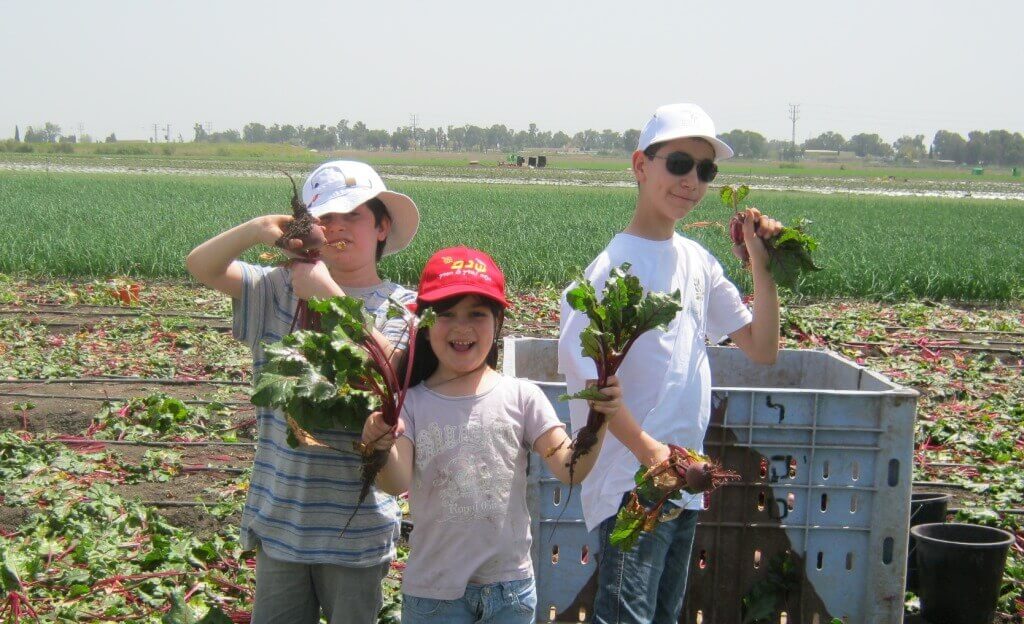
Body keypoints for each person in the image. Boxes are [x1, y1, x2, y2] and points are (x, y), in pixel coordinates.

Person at [557, 103, 783, 624]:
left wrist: (763, 265)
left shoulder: (699, 262)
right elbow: (590, 384)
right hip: (632, 487)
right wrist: (652, 455)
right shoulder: (609, 270)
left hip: (682, 483)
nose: (692, 181)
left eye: (705, 170)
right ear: (641, 166)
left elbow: (762, 347)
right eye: (679, 164)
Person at [185, 160, 419, 624]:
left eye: (353, 215)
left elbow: (387, 372)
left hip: (357, 528)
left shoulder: (404, 306)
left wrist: (328, 296)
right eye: (325, 217)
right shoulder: (275, 289)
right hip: (281, 517)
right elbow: (201, 265)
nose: (338, 227)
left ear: (382, 227)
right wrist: (259, 229)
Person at [362, 246, 621, 624]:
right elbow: (394, 481)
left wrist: (600, 421)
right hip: (434, 593)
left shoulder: (522, 396)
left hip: (509, 591)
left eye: (477, 314)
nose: (462, 327)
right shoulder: (410, 403)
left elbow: (570, 469)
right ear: (425, 324)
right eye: (446, 314)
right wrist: (377, 442)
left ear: (498, 322)